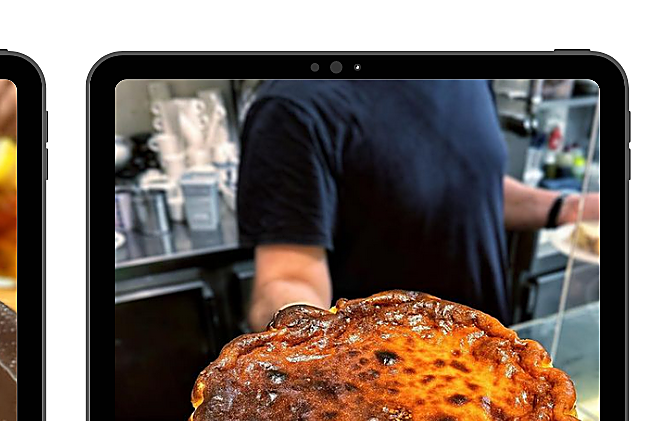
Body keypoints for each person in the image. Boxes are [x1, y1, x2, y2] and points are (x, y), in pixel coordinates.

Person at [236, 79, 599, 328]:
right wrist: (309, 346)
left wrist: (567, 209)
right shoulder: (291, 107)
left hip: (486, 363)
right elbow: (287, 277)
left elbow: (472, 185)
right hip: (389, 393)